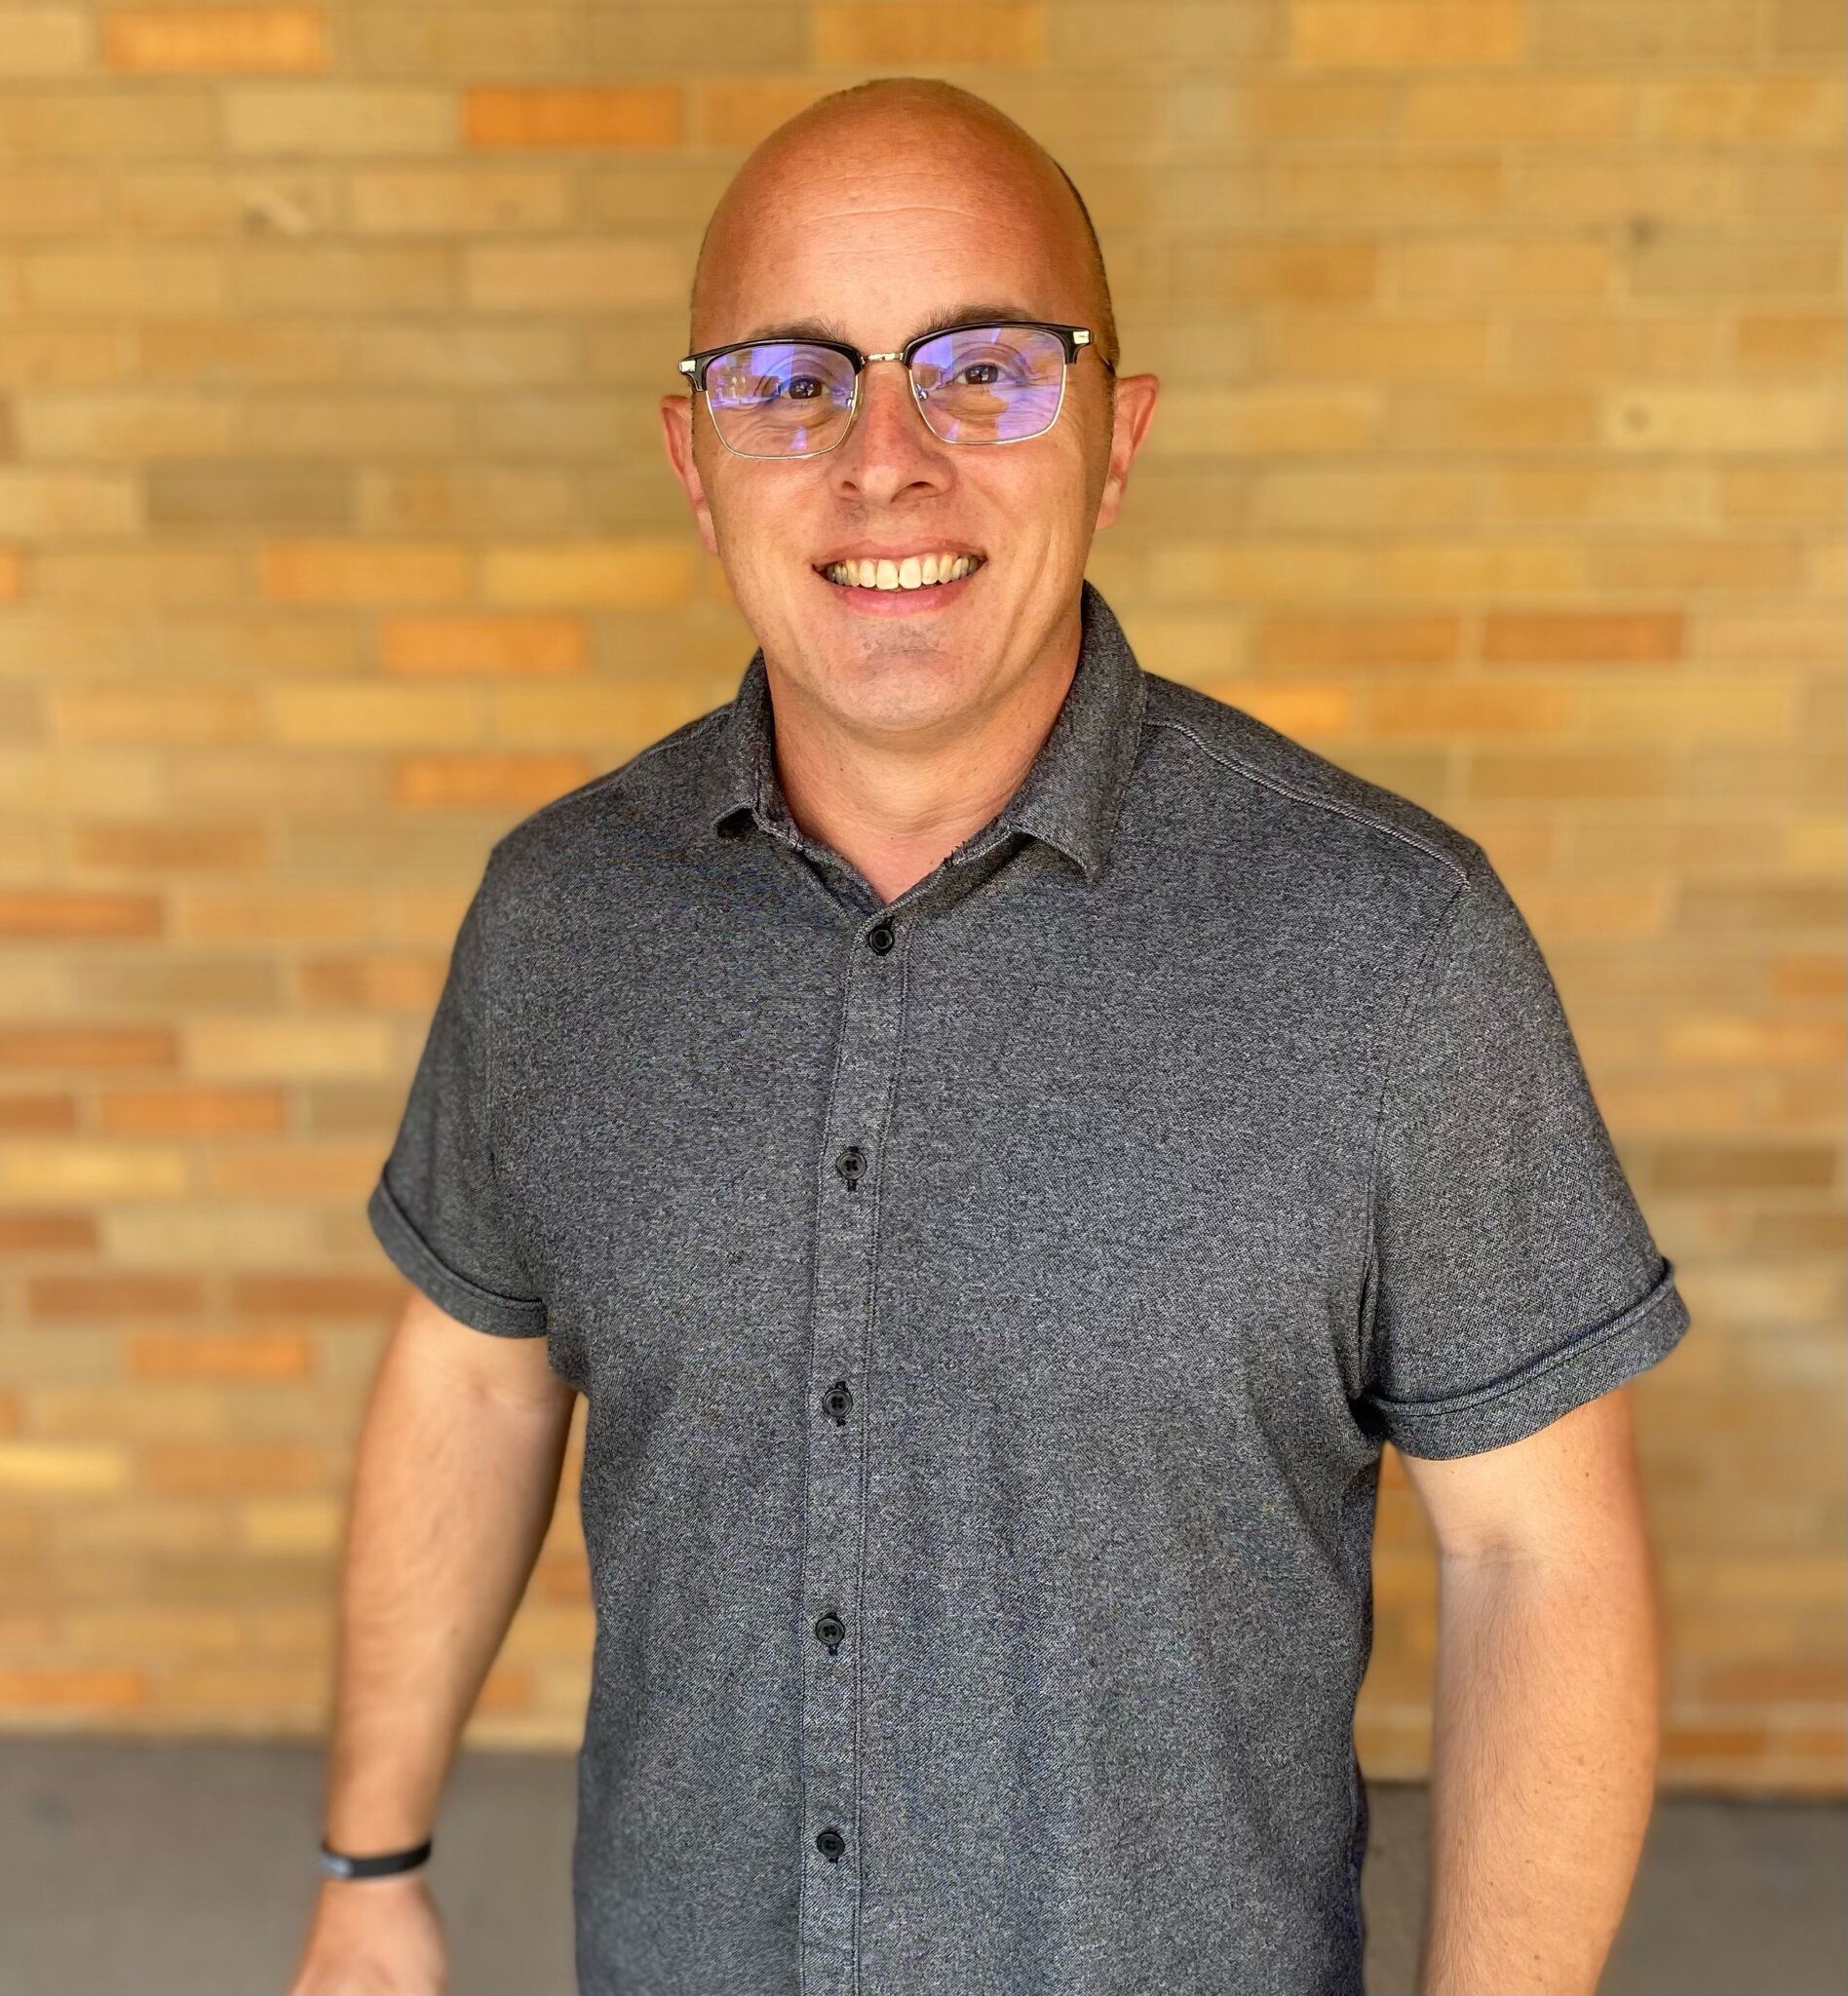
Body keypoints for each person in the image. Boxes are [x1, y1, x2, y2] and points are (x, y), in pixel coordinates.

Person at [289, 75, 1691, 1996]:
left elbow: (1547, 1563)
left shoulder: (1391, 946)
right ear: (694, 457)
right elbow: (468, 1381)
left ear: (1116, 441)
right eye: (794, 379)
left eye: (985, 371)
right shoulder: (562, 923)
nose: (888, 461)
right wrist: (373, 1857)